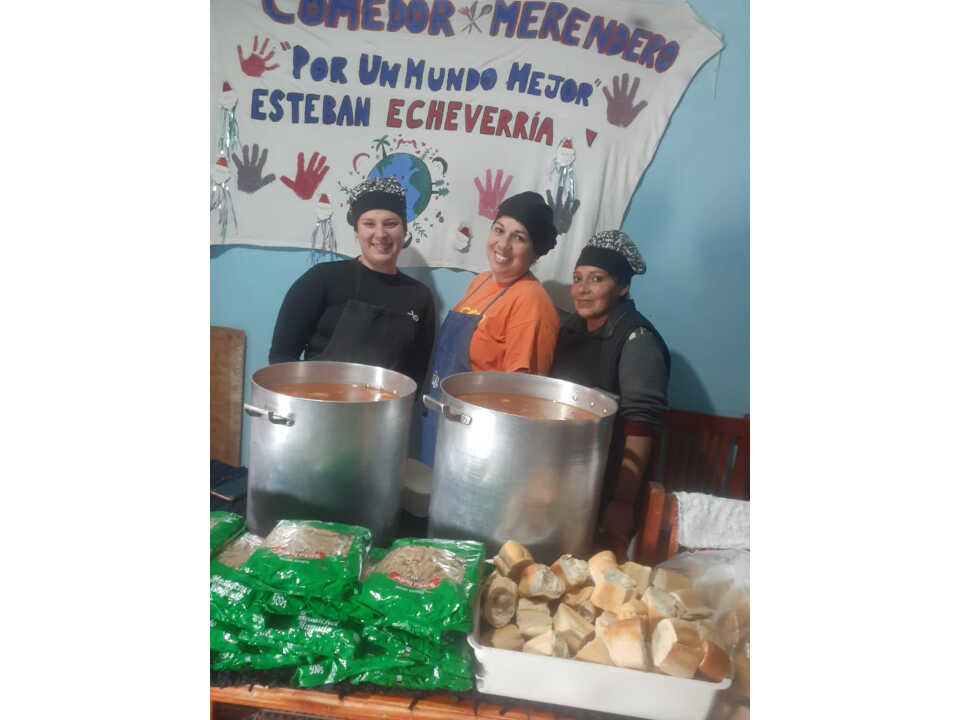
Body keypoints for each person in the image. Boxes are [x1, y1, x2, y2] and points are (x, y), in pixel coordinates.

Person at [549, 230, 670, 561]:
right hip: (568, 477)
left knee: (600, 570)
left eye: (597, 279)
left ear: (622, 286)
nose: (582, 289)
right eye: (577, 278)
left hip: (612, 484)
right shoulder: (570, 331)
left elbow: (641, 425)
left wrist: (622, 503)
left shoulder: (637, 339)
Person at [420, 191, 560, 463]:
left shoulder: (531, 302)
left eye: (519, 238)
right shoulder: (482, 281)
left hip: (479, 441)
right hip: (441, 421)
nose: (503, 245)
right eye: (499, 230)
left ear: (534, 253)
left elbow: (522, 397)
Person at [268, 177, 436, 388]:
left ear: (404, 231)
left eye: (391, 224)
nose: (380, 234)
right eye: (369, 224)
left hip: (386, 407)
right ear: (357, 232)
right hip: (320, 402)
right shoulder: (321, 279)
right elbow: (281, 359)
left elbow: (415, 378)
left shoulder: (420, 297)